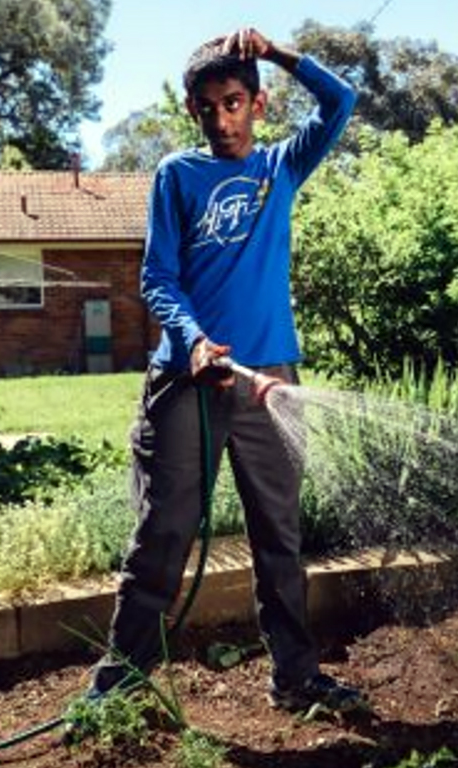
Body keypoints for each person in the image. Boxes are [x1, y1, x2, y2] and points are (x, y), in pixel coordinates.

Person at [89, 27, 362, 713]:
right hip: (188, 380)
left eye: (234, 103)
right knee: (162, 536)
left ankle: (295, 677)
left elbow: (341, 101)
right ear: (192, 112)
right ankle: (119, 686)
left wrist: (275, 51)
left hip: (269, 378)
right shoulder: (177, 176)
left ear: (258, 104)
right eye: (207, 108)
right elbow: (158, 279)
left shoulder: (281, 168)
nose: (221, 120)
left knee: (281, 536)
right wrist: (194, 340)